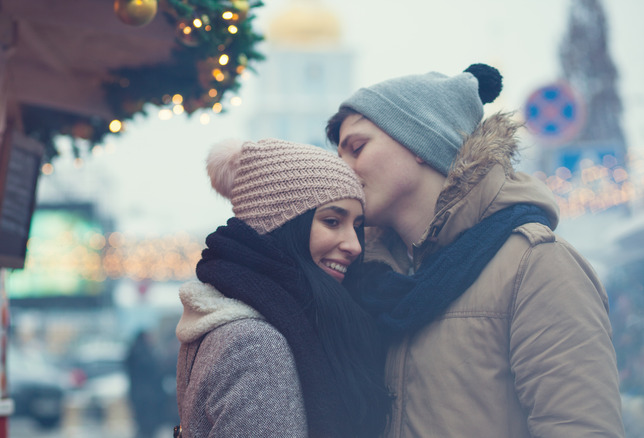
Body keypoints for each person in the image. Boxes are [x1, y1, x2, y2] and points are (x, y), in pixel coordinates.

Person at [325, 63, 625, 437]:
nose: (342, 171)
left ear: (419, 141)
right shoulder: (367, 276)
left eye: (357, 148)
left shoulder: (536, 265)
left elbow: (580, 427)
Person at [174, 138, 391, 438]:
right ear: (283, 225)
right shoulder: (256, 344)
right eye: (331, 221)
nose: (354, 245)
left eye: (356, 226)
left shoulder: (242, 316)